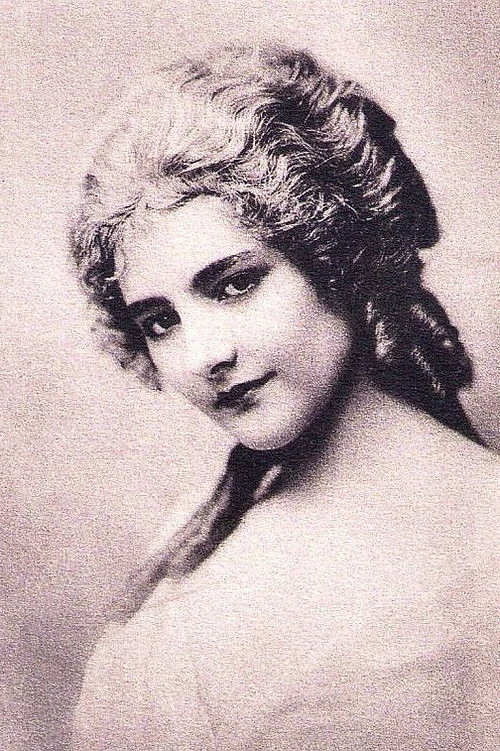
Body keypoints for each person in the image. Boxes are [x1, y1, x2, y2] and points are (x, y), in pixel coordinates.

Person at [70, 44, 497, 750]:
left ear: (337, 255)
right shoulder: (195, 566)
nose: (204, 355)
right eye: (160, 322)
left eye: (235, 283)